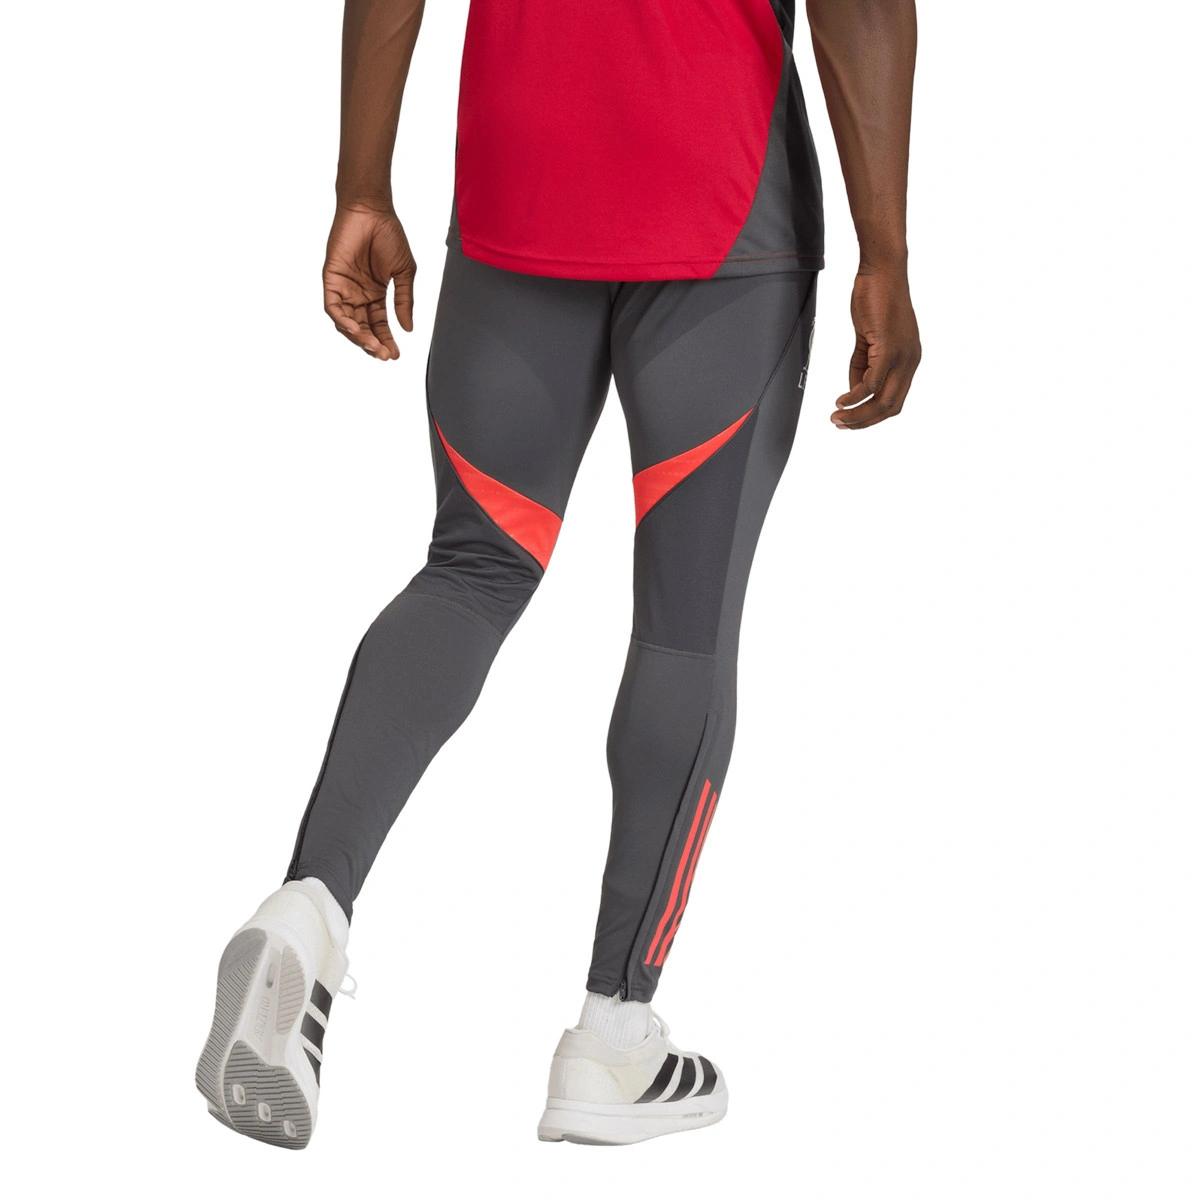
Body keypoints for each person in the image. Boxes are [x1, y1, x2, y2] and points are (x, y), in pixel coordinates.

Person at [196, 0, 921, 1149]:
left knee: (470, 572)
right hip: (721, 204)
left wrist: (363, 187)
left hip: (520, 179)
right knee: (685, 620)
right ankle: (613, 1038)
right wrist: (886, 253)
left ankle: (307, 909)